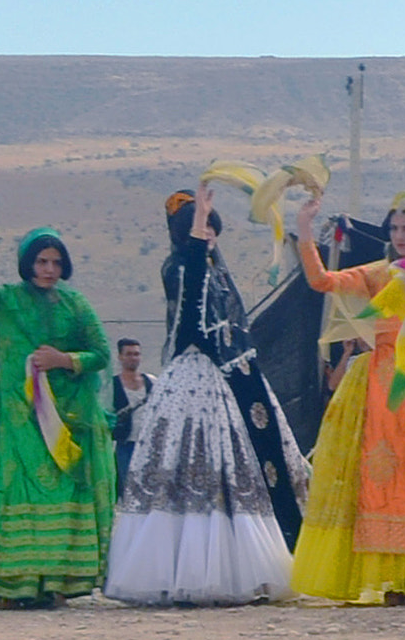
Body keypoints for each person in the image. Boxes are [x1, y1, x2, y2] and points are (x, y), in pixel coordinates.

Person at [105, 185, 310, 606]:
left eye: (212, 227)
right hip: (192, 382)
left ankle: (252, 569)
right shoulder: (178, 267)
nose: (208, 235)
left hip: (233, 379)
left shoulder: (220, 271)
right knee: (191, 476)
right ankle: (183, 573)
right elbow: (193, 299)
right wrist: (198, 226)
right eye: (199, 229)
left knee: (242, 475)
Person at [289, 190, 405, 603]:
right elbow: (323, 281)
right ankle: (387, 579)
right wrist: (304, 229)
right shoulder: (380, 273)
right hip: (382, 391)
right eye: (394, 228)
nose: (401, 235)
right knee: (380, 479)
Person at [0, 223, 114, 606]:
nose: (49, 269)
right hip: (14, 418)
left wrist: (64, 360)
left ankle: (55, 582)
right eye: (41, 261)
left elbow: (101, 353)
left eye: (55, 262)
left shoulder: (76, 304)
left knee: (59, 493)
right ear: (27, 264)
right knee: (12, 490)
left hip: (64, 420)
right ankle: (10, 581)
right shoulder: (6, 299)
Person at [110, 339, 155, 496]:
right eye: (129, 354)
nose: (133, 358)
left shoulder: (152, 381)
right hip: (126, 445)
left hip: (150, 445)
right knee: (129, 491)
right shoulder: (112, 384)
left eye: (136, 354)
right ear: (120, 357)